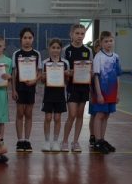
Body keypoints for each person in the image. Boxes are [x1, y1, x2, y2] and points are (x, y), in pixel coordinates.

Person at [60, 23, 93, 153]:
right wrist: (68, 73)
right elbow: (61, 68)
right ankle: (64, 141)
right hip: (71, 87)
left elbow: (91, 69)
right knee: (72, 114)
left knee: (80, 115)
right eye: (77, 33)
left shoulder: (88, 51)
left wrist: (89, 72)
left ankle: (75, 142)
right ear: (71, 34)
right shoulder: (66, 50)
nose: (80, 36)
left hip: (84, 87)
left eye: (82, 34)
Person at [90, 31, 121, 154]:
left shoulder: (116, 57)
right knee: (99, 115)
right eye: (106, 41)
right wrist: (99, 94)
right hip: (101, 91)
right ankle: (97, 141)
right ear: (101, 43)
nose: (109, 43)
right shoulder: (98, 57)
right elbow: (96, 76)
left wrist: (117, 93)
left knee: (106, 115)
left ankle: (102, 140)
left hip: (112, 91)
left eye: (110, 41)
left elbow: (118, 76)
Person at [12, 27, 41, 152]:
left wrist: (35, 80)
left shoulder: (37, 54)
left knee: (28, 114)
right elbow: (14, 73)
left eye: (30, 38)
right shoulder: (16, 54)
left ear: (33, 39)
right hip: (20, 88)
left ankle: (27, 140)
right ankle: (20, 140)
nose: (27, 40)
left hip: (30, 89)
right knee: (19, 114)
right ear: (21, 39)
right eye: (25, 38)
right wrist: (13, 90)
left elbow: (40, 72)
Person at [40, 38, 69, 152]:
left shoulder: (65, 63)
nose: (55, 50)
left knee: (57, 118)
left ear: (61, 49)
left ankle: (56, 141)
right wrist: (44, 76)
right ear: (49, 48)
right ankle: (47, 141)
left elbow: (67, 81)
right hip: (48, 94)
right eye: (53, 47)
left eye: (58, 48)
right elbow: (42, 80)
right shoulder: (45, 63)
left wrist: (67, 75)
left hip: (60, 94)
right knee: (48, 118)